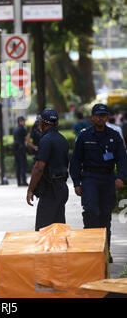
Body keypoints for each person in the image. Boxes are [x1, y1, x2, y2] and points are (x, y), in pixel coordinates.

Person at [69, 103, 127, 262]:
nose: (101, 118)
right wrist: (76, 182)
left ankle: (105, 251)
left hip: (108, 179)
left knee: (105, 216)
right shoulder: (84, 135)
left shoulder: (115, 136)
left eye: (104, 115)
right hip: (89, 179)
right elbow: (75, 161)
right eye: (98, 115)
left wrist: (120, 177)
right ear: (92, 117)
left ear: (107, 117)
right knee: (91, 212)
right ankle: (90, 250)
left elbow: (122, 159)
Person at [27, 109, 69, 231]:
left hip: (50, 190)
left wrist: (30, 189)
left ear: (42, 123)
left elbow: (39, 168)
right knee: (59, 229)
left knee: (43, 230)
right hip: (61, 188)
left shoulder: (45, 140)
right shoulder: (63, 139)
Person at [13, 116, 29, 186]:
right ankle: (24, 181)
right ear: (20, 121)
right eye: (23, 121)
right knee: (23, 165)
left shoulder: (15, 129)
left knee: (18, 166)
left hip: (15, 149)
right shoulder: (23, 129)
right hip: (21, 149)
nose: (24, 122)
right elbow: (27, 139)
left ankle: (19, 182)